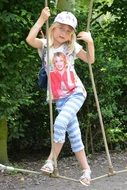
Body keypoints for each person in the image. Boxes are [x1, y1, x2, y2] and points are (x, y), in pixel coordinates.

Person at [26, 6, 95, 186]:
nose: (63, 33)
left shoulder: (71, 47)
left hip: (76, 93)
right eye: (61, 28)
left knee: (60, 122)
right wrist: (41, 18)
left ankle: (51, 160)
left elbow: (90, 59)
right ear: (53, 27)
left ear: (71, 35)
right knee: (74, 135)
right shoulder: (45, 45)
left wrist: (90, 42)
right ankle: (86, 170)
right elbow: (30, 39)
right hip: (59, 98)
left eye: (68, 31)